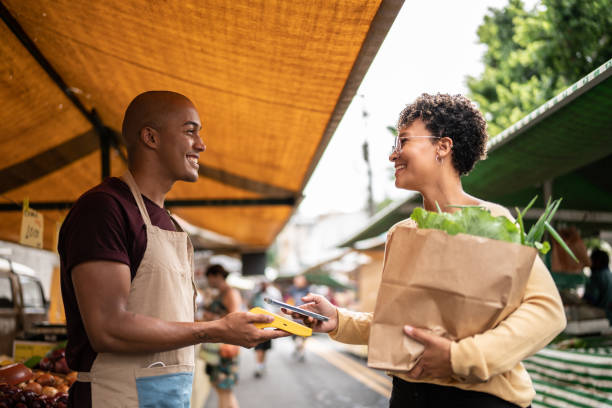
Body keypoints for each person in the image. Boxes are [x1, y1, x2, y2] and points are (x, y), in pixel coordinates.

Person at [288, 93, 566, 408]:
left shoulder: (492, 221)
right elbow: (400, 325)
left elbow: (547, 312)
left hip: (479, 399)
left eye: (403, 141)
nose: (393, 155)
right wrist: (339, 320)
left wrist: (460, 357)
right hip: (408, 396)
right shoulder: (402, 234)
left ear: (442, 147)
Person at [58, 91, 287, 408]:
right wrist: (215, 330)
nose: (201, 145)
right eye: (190, 131)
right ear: (150, 137)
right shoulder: (103, 209)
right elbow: (108, 328)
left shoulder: (170, 223)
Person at [201, 265, 243, 408]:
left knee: (225, 390)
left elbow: (235, 319)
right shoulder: (220, 293)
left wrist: (211, 316)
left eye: (210, 278)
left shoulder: (230, 293)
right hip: (219, 345)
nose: (209, 281)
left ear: (218, 276)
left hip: (226, 346)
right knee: (221, 389)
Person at [249, 280, 282, 377]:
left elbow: (279, 308)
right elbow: (250, 304)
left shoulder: (274, 292)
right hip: (258, 324)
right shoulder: (255, 292)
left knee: (265, 348)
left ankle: (261, 365)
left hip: (270, 325)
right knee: (259, 347)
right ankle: (259, 367)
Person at [583, 249, 612, 324]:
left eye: (591, 260)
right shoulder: (609, 274)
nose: (589, 263)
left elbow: (591, 300)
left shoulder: (597, 276)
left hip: (603, 317)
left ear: (597, 262)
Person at [287, 275, 310, 362]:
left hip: (305, 317)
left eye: (300, 280)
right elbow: (288, 301)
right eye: (296, 281)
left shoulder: (307, 290)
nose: (298, 282)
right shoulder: (292, 290)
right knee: (295, 336)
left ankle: (302, 352)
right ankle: (298, 347)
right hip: (294, 317)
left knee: (304, 336)